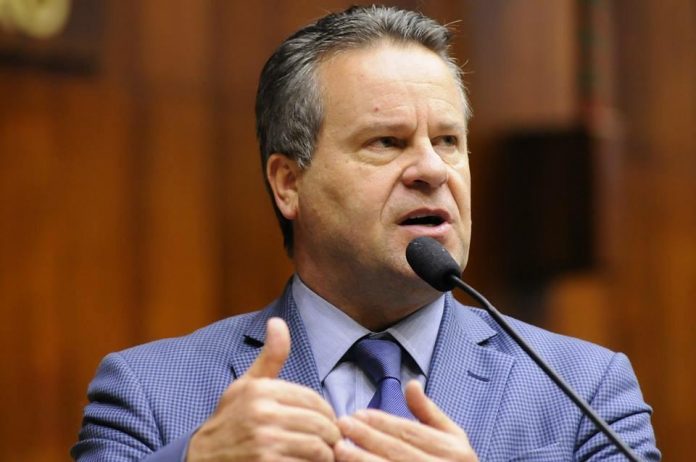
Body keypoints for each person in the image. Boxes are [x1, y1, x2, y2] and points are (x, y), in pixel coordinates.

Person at [72, 5, 659, 461]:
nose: (432, 169)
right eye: (387, 142)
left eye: (448, 141)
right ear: (288, 183)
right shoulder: (149, 392)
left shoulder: (585, 391)